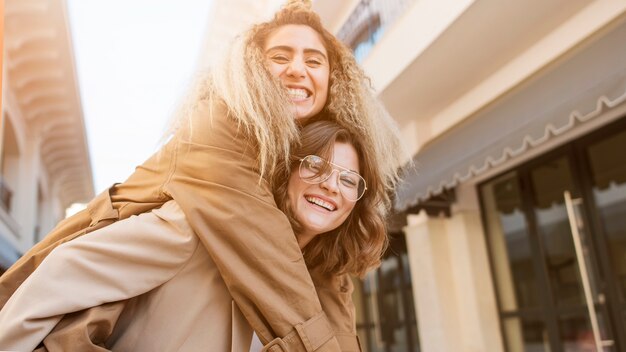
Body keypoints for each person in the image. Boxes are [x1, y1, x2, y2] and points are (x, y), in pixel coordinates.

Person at [0, 1, 405, 351]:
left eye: (314, 60)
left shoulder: (293, 201)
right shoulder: (219, 133)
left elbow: (326, 303)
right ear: (251, 70)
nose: (298, 69)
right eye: (280, 57)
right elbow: (270, 255)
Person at [0, 120, 382, 351]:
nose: (331, 185)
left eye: (349, 179)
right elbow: (66, 270)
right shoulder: (196, 229)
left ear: (356, 202)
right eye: (315, 165)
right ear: (286, 170)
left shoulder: (325, 288)